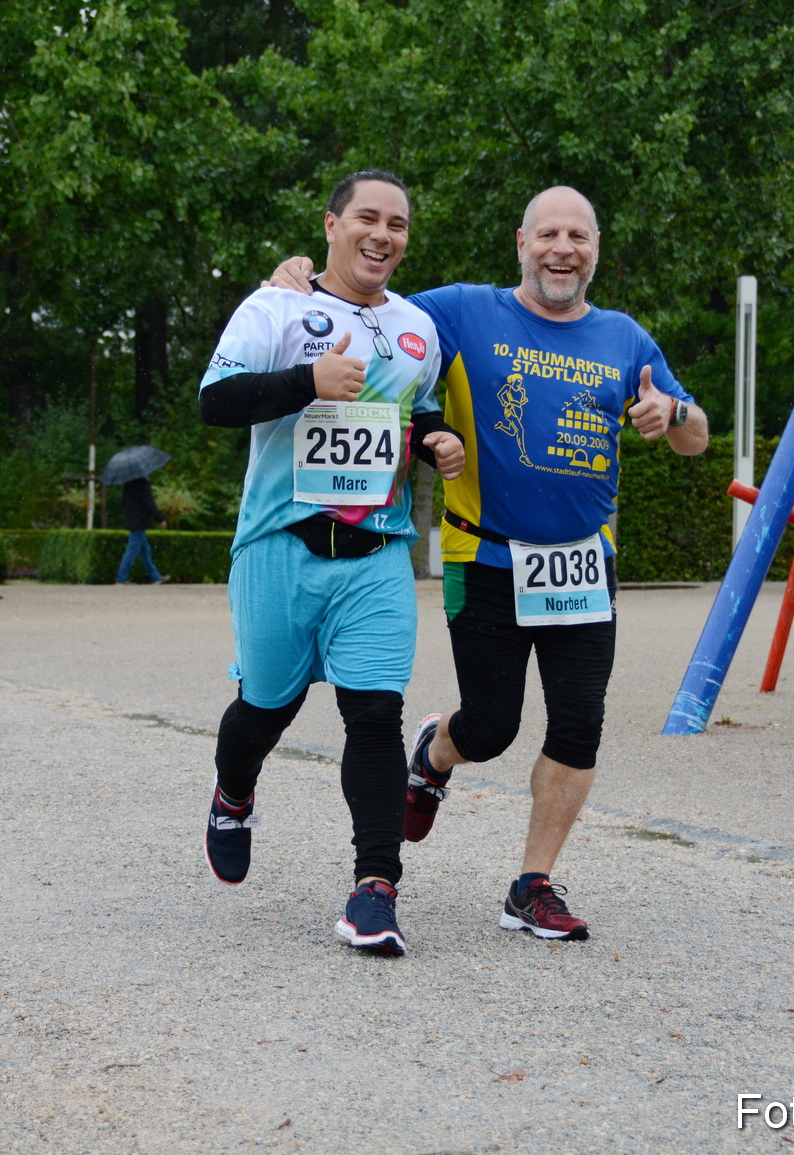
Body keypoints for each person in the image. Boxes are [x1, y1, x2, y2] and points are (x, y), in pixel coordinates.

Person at [271, 185, 709, 941]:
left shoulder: (625, 338)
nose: (562, 249)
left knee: (580, 724)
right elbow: (368, 307)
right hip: (485, 555)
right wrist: (298, 282)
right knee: (493, 726)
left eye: (578, 236)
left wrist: (673, 413)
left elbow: (695, 437)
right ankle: (437, 752)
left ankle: (532, 886)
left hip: (582, 565)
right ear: (521, 243)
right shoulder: (464, 310)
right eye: (548, 234)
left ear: (595, 250)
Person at [198, 169, 465, 956]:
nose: (382, 234)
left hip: (377, 552)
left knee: (376, 714)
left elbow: (414, 412)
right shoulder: (276, 307)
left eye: (398, 223)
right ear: (331, 225)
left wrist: (436, 441)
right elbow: (215, 401)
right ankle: (233, 794)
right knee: (265, 709)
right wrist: (306, 381)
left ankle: (375, 888)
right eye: (367, 218)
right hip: (279, 544)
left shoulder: (416, 326)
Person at [115, 475, 169, 584]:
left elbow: (124, 502)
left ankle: (155, 576)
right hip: (140, 522)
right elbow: (149, 502)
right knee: (132, 551)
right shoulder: (142, 483)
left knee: (145, 551)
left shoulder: (128, 483)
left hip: (133, 520)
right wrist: (160, 519)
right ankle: (121, 577)